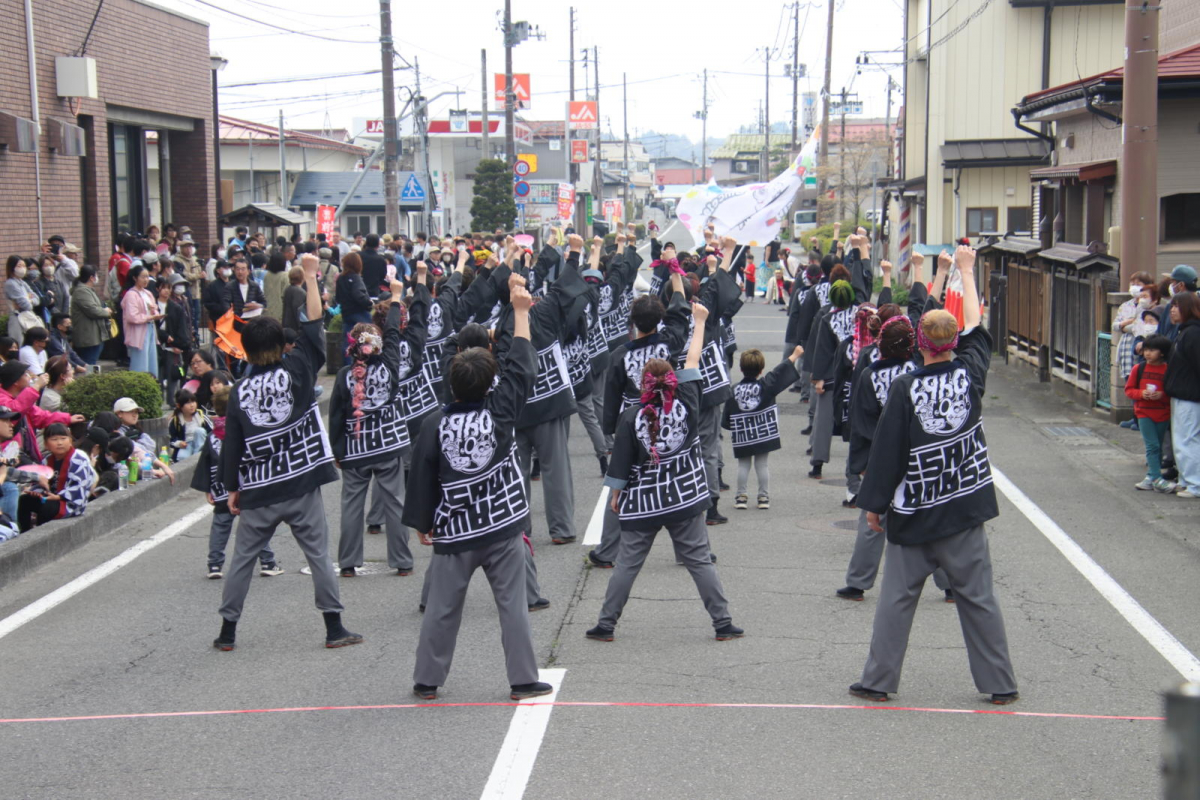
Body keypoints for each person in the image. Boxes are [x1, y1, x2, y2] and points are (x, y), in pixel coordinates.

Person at [849, 245, 1018, 706]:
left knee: (896, 600)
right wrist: (966, 269)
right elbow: (978, 325)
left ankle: (879, 680)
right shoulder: (970, 372)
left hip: (916, 510)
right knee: (978, 597)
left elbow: (887, 452)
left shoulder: (905, 387)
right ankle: (999, 682)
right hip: (963, 506)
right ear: (953, 344)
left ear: (921, 344)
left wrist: (873, 505)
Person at [403, 279, 552, 702]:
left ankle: (427, 679)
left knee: (442, 608)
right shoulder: (500, 411)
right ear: (491, 381)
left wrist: (423, 521)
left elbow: (422, 474)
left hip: (455, 531)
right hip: (502, 526)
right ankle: (523, 678)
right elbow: (522, 365)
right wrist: (520, 310)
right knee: (513, 606)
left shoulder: (435, 424)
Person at [213, 253, 361, 652]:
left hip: (259, 487)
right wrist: (311, 276)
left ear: (245, 349)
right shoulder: (297, 369)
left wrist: (231, 487)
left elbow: (233, 443)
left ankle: (228, 632)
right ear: (281, 344)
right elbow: (314, 323)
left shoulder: (239, 391)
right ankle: (334, 627)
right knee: (317, 555)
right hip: (300, 480)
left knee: (242, 559)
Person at [586, 298, 743, 642]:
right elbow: (692, 357)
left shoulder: (632, 417)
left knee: (627, 565)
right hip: (685, 498)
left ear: (642, 385)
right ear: (672, 381)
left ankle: (606, 625)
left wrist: (616, 496)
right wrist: (699, 322)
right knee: (700, 562)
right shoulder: (687, 400)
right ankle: (723, 623)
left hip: (643, 503)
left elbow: (621, 466)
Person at [329, 278, 422, 578]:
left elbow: (336, 418)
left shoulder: (344, 376)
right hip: (389, 445)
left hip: (356, 449)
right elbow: (393, 330)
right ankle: (402, 561)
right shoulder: (390, 365)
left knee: (351, 506)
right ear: (379, 344)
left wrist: (337, 451)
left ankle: (347, 563)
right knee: (395, 503)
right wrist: (396, 299)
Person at [189, 384, 281, 579]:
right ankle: (267, 562)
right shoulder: (247, 429)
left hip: (221, 487)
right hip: (247, 485)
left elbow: (205, 461)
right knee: (257, 525)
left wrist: (208, 488)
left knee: (221, 525)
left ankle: (214, 565)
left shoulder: (213, 434)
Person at [722, 346, 803, 510]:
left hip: (743, 434)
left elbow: (727, 420)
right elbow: (779, 372)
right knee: (762, 465)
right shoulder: (766, 386)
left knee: (743, 465)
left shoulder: (734, 390)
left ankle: (741, 496)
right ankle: (763, 496)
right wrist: (794, 356)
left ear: (741, 368)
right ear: (761, 370)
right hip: (762, 433)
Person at [18, 423, 96, 532]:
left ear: (70, 441)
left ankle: (40, 535)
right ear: (46, 444)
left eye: (63, 438)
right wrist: (36, 492)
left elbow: (79, 487)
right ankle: (24, 532)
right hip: (50, 497)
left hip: (70, 503)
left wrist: (58, 497)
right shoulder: (47, 460)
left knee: (46, 508)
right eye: (54, 439)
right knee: (25, 500)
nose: (59, 443)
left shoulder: (78, 460)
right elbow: (41, 482)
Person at [1126, 335, 1175, 493]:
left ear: (1162, 353)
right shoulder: (1138, 369)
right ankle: (1156, 478)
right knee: (1152, 445)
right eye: (1146, 350)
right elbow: (1129, 390)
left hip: (1162, 413)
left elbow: (1172, 391)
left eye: (1152, 350)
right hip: (1143, 412)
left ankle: (1150, 477)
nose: (1148, 353)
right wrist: (1142, 394)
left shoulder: (1168, 370)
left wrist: (1162, 395)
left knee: (1158, 446)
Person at [1164, 291, 1200, 499]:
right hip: (1181, 394)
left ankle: (1195, 484)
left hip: (1190, 395)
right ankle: (1186, 480)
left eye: (1177, 305)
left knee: (1188, 439)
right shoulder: (1184, 331)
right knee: (1181, 439)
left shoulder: (1193, 333)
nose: (1173, 309)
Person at [112, 398, 176, 483]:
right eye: (131, 412)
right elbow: (136, 451)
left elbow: (149, 447)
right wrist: (156, 469)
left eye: (136, 412)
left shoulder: (135, 430)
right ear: (119, 414)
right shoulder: (117, 433)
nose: (135, 415)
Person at [121, 266, 162, 379]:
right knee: (140, 363)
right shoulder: (131, 294)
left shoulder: (148, 293)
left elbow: (154, 309)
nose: (146, 280)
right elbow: (132, 316)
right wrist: (149, 317)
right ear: (135, 278)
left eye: (147, 277)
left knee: (152, 361)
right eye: (143, 277)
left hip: (150, 329)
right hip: (138, 331)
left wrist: (155, 312)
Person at [156, 276, 192, 405]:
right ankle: (158, 400)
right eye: (163, 288)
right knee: (158, 375)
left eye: (168, 288)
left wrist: (180, 344)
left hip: (172, 346)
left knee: (173, 374)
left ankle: (171, 400)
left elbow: (181, 327)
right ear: (157, 289)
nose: (166, 291)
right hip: (157, 344)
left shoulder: (176, 307)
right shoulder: (152, 304)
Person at [335, 252, 373, 364]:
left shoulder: (340, 278)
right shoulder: (356, 278)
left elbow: (337, 298)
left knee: (348, 341)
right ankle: (365, 363)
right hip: (360, 313)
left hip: (347, 313)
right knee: (367, 340)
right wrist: (369, 303)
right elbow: (359, 295)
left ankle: (347, 366)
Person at [167, 388, 210, 462]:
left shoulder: (201, 415)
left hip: (200, 442)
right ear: (179, 405)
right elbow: (171, 440)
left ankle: (199, 458)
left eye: (193, 402)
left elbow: (211, 431)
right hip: (186, 444)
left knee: (199, 431)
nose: (192, 405)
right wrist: (179, 443)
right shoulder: (175, 420)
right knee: (182, 458)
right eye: (188, 403)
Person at [1158, 265, 1198, 341]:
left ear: (1181, 285)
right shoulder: (1169, 306)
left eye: (1173, 282)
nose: (1171, 286)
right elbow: (1160, 332)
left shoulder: (1195, 306)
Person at [5, 256, 39, 341]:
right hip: (18, 318)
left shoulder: (23, 283)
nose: (23, 269)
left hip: (27, 317)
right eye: (19, 266)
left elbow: (37, 299)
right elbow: (27, 306)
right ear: (12, 268)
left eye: (24, 266)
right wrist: (28, 299)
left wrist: (28, 299)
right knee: (19, 343)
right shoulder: (11, 283)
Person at [261, 252, 289, 320]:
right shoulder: (285, 276)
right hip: (280, 310)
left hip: (267, 309)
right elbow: (286, 294)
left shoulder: (267, 275)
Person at [280, 267, 307, 331]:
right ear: (302, 277)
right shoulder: (300, 292)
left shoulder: (288, 289)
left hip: (286, 325)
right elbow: (298, 311)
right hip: (295, 328)